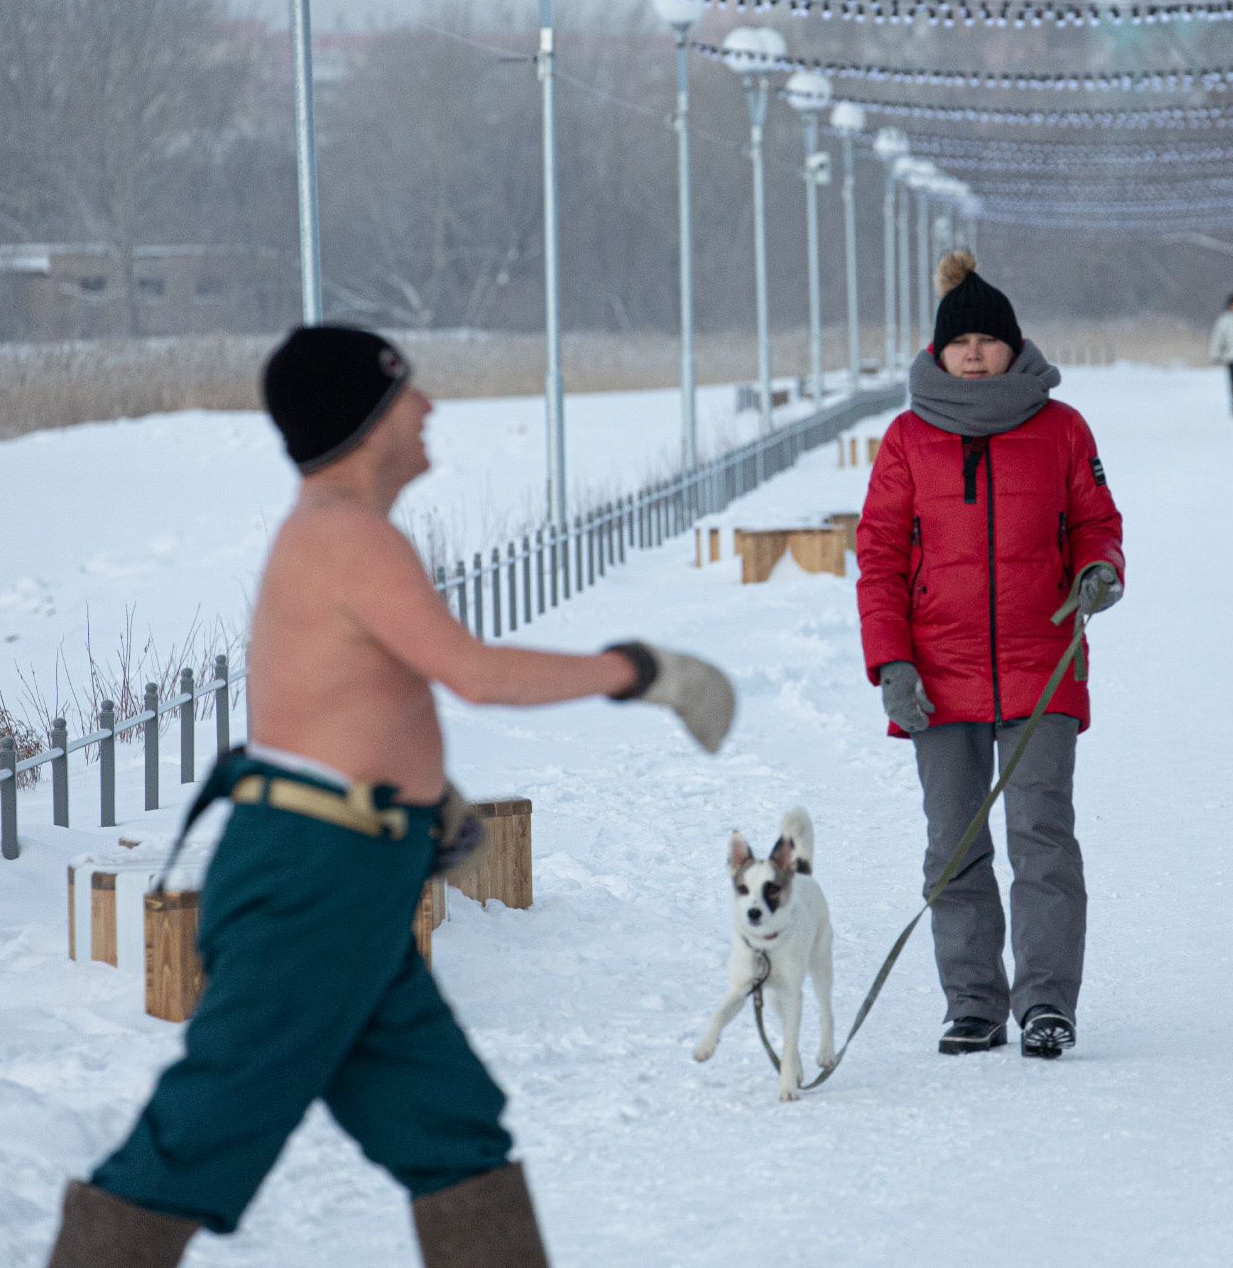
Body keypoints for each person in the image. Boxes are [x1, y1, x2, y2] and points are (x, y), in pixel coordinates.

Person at [45, 325, 735, 1268]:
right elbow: (474, 672)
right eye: (409, 391)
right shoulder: (345, 536)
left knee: (449, 1129)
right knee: (209, 1124)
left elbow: (342, 702)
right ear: (369, 419)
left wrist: (424, 804)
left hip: (349, 874)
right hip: (308, 884)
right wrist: (639, 671)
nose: (429, 408)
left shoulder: (333, 537)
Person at [856, 252, 1125, 1060]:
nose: (973, 352)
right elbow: (878, 560)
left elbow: (1095, 519)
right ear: (939, 353)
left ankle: (1047, 1002)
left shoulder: (1062, 428)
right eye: (959, 340)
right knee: (955, 841)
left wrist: (1098, 569)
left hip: (1044, 664)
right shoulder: (907, 439)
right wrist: (890, 663)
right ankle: (973, 1002)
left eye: (988, 339)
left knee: (1042, 834)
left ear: (1014, 347)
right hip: (938, 677)